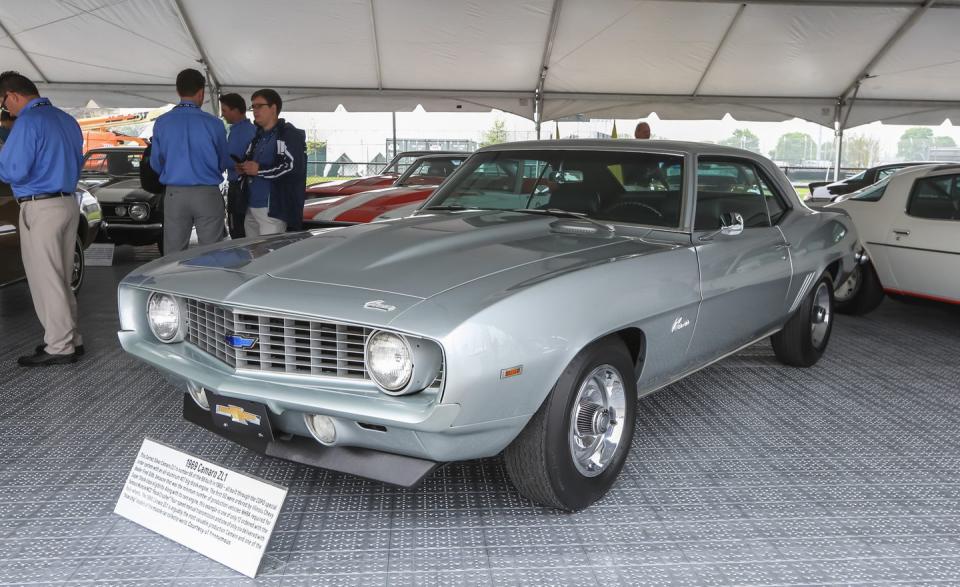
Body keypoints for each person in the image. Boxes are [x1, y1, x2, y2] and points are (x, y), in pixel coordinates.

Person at [0, 71, 84, 366]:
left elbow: (13, 171)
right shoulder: (66, 120)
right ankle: (71, 338)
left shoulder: (27, 122)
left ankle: (60, 346)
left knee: (45, 279)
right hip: (68, 202)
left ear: (12, 95)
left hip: (40, 206)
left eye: (3, 102)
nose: (5, 109)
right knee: (60, 277)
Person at [150, 68, 228, 253]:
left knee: (173, 253)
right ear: (201, 92)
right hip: (207, 193)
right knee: (212, 252)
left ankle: (172, 282)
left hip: (175, 194)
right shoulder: (214, 123)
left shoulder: (162, 122)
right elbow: (224, 161)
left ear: (178, 91)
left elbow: (155, 163)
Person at [236, 89, 306, 236]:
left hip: (272, 209)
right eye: (253, 106)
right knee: (253, 256)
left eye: (259, 106)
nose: (255, 110)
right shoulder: (258, 135)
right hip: (251, 206)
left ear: (273, 108)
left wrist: (258, 170)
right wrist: (244, 167)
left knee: (270, 256)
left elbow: (291, 166)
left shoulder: (287, 134)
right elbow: (253, 164)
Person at [220, 93, 256, 239]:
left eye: (225, 110)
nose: (223, 115)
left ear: (235, 110)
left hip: (238, 185)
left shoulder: (240, 132)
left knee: (237, 230)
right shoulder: (251, 129)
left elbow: (229, 158)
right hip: (249, 185)